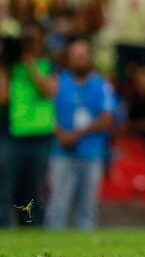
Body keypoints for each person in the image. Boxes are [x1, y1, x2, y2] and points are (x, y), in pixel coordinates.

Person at [47, 39, 114, 230]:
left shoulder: (101, 84)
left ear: (90, 58)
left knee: (88, 207)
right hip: (61, 152)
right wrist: (60, 133)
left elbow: (107, 118)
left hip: (91, 152)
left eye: (83, 55)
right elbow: (46, 113)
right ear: (68, 60)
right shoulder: (58, 82)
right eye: (76, 56)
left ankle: (87, 252)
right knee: (57, 205)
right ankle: (51, 248)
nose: (80, 59)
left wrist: (76, 134)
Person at [0, 25, 57, 227]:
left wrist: (31, 65)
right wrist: (4, 64)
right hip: (13, 134)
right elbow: (3, 97)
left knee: (34, 190)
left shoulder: (47, 63)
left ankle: (33, 228)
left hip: (39, 135)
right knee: (6, 188)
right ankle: (4, 229)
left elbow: (49, 91)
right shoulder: (10, 66)